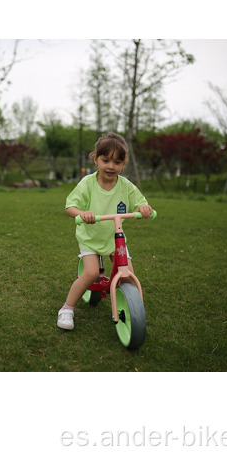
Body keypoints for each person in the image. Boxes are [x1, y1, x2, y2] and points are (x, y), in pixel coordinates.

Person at [57, 132, 153, 330]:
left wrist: (144, 208)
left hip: (114, 238)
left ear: (124, 163)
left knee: (127, 276)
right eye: (106, 160)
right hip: (90, 238)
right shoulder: (88, 183)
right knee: (91, 272)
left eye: (117, 162)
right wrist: (83, 213)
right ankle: (67, 308)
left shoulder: (126, 186)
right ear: (96, 159)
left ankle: (129, 309)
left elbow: (141, 202)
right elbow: (70, 206)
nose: (111, 166)